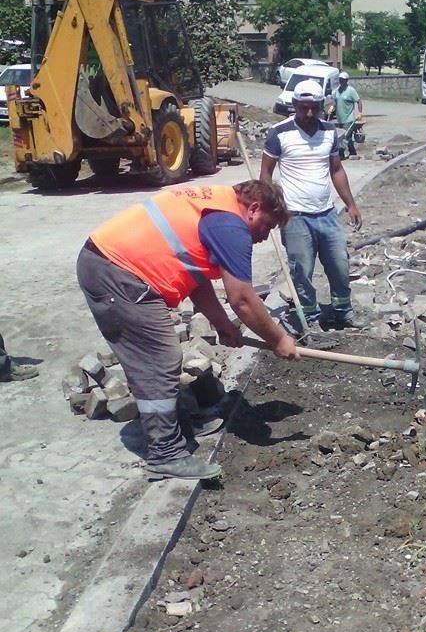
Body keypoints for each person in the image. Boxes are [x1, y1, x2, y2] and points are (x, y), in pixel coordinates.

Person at [77, 180, 300, 481]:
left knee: (161, 360)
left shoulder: (216, 208)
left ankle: (177, 428)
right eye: (268, 225)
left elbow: (196, 277)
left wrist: (222, 324)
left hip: (110, 266)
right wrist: (278, 339)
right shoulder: (230, 226)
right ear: (254, 208)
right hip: (117, 274)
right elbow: (243, 299)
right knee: (159, 362)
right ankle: (165, 454)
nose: (265, 235)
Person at [260, 78, 363, 333]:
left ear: (321, 106)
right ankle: (310, 316)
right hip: (294, 216)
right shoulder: (279, 133)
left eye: (314, 107)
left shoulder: (329, 131)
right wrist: (270, 208)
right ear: (294, 104)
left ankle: (343, 311)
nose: (308, 113)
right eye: (303, 107)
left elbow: (336, 169)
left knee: (339, 263)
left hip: (327, 213)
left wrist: (350, 204)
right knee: (302, 269)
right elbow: (266, 173)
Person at [332, 71, 363, 159]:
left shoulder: (351, 90)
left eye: (344, 80)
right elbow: (335, 101)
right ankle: (353, 152)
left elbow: (359, 101)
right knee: (347, 138)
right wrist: (332, 107)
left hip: (349, 119)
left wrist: (360, 112)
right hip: (340, 119)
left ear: (347, 81)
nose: (342, 81)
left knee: (344, 138)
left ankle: (340, 155)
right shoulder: (337, 91)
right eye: (340, 79)